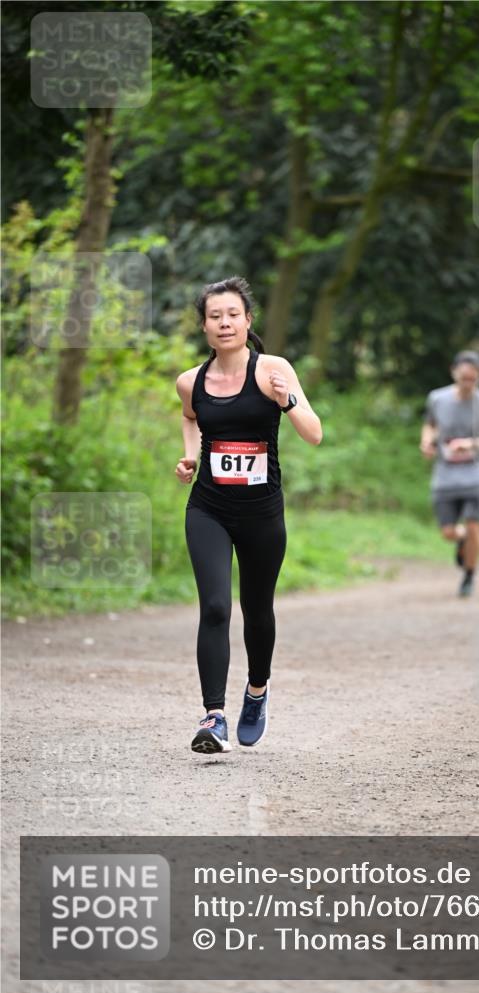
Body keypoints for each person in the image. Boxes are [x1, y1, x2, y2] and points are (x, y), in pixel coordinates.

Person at [175, 276, 322, 754]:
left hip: (262, 513)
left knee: (257, 611)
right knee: (216, 606)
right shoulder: (190, 381)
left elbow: (314, 433)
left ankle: (257, 691)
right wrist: (191, 456)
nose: (224, 323)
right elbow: (191, 417)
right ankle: (213, 716)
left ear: (247, 321)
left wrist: (287, 401)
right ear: (204, 326)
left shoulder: (273, 369)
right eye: (215, 316)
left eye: (232, 315)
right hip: (209, 508)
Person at [420, 350, 479, 597]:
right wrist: (426, 442)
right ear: (453, 372)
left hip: (475, 475)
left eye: (473, 378)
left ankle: (469, 575)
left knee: (473, 525)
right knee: (448, 531)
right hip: (445, 474)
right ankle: (462, 540)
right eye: (464, 377)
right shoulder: (437, 398)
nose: (468, 382)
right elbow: (430, 425)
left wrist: (470, 444)